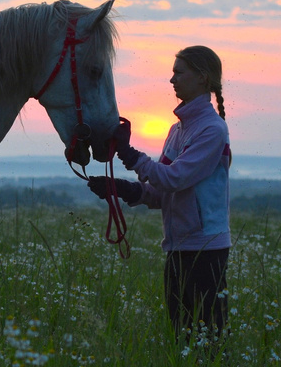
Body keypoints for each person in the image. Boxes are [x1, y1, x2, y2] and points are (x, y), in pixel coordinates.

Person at [89, 46, 232, 343]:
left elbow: (174, 178)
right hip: (179, 247)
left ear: (203, 78)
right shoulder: (177, 130)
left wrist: (128, 154)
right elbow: (161, 192)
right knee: (181, 336)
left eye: (179, 72)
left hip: (206, 250)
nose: (172, 80)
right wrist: (123, 190)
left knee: (209, 343)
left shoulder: (212, 130)